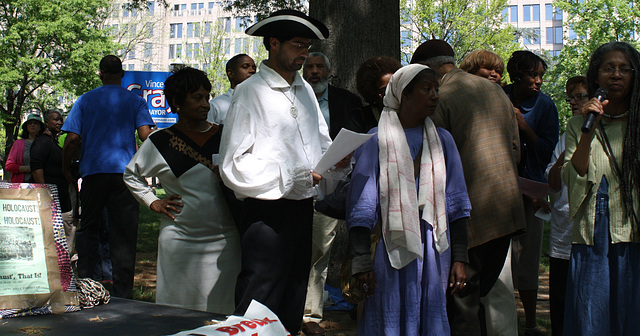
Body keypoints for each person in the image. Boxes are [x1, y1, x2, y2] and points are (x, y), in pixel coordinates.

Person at [219, 10, 347, 335]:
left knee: (293, 292)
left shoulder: (303, 90)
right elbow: (233, 163)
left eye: (307, 46)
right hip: (266, 212)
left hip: (303, 208)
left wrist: (335, 160)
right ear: (273, 44)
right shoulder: (249, 93)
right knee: (259, 295)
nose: (304, 53)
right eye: (297, 45)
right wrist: (292, 175)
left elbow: (320, 140)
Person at [410, 39, 525, 336]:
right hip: (505, 211)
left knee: (462, 301)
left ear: (428, 71)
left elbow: (434, 161)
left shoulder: (441, 96)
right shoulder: (496, 90)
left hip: (468, 216)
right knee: (481, 294)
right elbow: (515, 148)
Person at [347, 64, 471, 335]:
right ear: (404, 94)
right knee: (387, 314)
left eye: (436, 89)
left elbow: (456, 202)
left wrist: (460, 257)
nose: (435, 96)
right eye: (427, 89)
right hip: (389, 248)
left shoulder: (443, 141)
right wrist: (361, 260)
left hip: (434, 249)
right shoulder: (375, 140)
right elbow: (362, 205)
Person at [124, 67, 241, 313]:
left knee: (222, 312)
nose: (205, 105)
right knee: (175, 312)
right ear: (177, 102)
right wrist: (152, 201)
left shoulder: (226, 136)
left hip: (226, 240)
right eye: (197, 97)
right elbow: (131, 174)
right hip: (180, 239)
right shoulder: (160, 141)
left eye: (207, 97)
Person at [562, 41, 640, 335]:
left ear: (635, 76)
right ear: (596, 76)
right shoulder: (577, 124)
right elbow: (575, 173)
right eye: (609, 68)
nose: (616, 75)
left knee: (631, 314)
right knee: (590, 315)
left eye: (624, 69)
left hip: (632, 232)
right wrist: (588, 130)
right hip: (592, 233)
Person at [62, 55, 154, 299]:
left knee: (89, 229)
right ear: (122, 74)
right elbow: (147, 136)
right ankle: (123, 293)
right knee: (124, 233)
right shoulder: (135, 101)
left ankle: (87, 288)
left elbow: (72, 139)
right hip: (124, 176)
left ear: (100, 73)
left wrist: (66, 167)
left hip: (92, 174)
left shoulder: (84, 100)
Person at [301, 51, 362, 335]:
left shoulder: (348, 101)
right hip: (305, 186)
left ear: (329, 71)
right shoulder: (295, 98)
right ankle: (309, 314)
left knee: (357, 248)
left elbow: (361, 135)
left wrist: (347, 155)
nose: (314, 72)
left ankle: (360, 304)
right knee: (316, 251)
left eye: (319, 67)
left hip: (347, 183)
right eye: (309, 67)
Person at [461, 49, 518, 336]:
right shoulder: (456, 99)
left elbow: (515, 149)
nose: (495, 74)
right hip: (471, 212)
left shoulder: (503, 101)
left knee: (501, 286)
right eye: (487, 69)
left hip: (500, 208)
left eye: (499, 70)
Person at [504, 50, 559, 335]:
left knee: (527, 259)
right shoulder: (499, 96)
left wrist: (523, 125)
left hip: (532, 192)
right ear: (516, 76)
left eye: (541, 76)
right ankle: (500, 320)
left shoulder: (546, 107)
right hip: (499, 192)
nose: (538, 81)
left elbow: (547, 150)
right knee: (499, 260)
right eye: (532, 76)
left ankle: (530, 323)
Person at [545, 75, 588, 336]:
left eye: (580, 96)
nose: (573, 101)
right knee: (560, 298)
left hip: (588, 232)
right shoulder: (566, 136)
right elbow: (552, 182)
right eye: (570, 97)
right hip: (563, 232)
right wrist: (569, 145)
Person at [30, 109, 73, 243]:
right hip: (49, 197)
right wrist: (44, 191)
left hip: (61, 196)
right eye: (55, 119)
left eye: (61, 119)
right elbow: (37, 166)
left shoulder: (55, 143)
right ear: (46, 122)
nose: (59, 122)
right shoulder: (43, 141)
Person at [346, 56, 401, 134]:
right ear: (372, 92)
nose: (392, 92)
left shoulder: (409, 114)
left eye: (395, 87)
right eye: (384, 90)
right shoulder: (360, 117)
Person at [207, 53, 256, 125]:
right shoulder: (215, 106)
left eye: (254, 68)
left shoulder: (260, 102)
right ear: (231, 73)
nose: (252, 71)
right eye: (245, 67)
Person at [6, 113, 44, 183]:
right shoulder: (18, 143)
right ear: (26, 127)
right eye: (30, 123)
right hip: (21, 186)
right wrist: (29, 169)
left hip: (41, 185)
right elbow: (9, 166)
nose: (32, 125)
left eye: (35, 123)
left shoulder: (45, 143)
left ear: (40, 127)